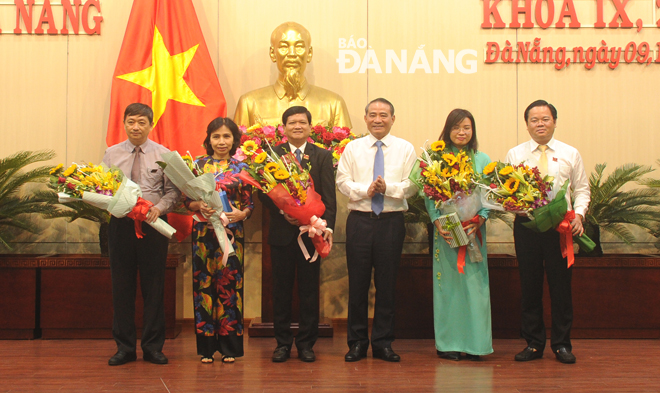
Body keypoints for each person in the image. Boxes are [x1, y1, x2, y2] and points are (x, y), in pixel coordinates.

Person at [505, 99, 590, 364]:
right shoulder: (515, 154)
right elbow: (507, 191)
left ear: (554, 121)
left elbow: (582, 190)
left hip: (560, 228)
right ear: (526, 124)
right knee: (529, 286)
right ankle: (533, 344)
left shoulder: (570, 153)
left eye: (545, 119)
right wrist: (512, 204)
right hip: (527, 226)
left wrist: (578, 215)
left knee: (561, 287)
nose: (540, 124)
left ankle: (562, 345)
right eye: (534, 120)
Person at [336, 98, 417, 362]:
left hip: (391, 223)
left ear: (393, 119)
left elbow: (412, 185)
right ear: (365, 118)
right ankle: (357, 343)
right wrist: (365, 190)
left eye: (383, 115)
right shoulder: (352, 148)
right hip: (360, 221)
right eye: (372, 114)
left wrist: (387, 189)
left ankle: (383, 343)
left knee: (387, 285)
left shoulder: (405, 148)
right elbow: (343, 181)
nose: (377, 119)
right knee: (357, 285)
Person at [103, 103, 181, 366]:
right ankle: (124, 348)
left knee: (154, 287)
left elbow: (173, 191)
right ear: (123, 123)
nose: (135, 127)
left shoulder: (164, 155)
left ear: (150, 125)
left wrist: (158, 208)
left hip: (153, 226)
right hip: (120, 226)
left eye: (141, 122)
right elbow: (103, 189)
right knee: (121, 288)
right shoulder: (111, 154)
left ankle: (152, 347)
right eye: (131, 122)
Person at [258, 106, 336, 363]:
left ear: (310, 127)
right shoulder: (273, 155)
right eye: (292, 122)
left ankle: (306, 344)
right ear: (284, 128)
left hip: (312, 234)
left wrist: (326, 228)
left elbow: (329, 196)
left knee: (309, 290)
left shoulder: (322, 156)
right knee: (280, 290)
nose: (297, 126)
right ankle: (282, 344)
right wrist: (283, 213)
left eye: (302, 122)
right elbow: (263, 192)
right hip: (282, 234)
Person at [424, 109, 493, 361]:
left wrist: (481, 218)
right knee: (448, 286)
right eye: (456, 127)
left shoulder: (482, 159)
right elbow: (429, 194)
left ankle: (477, 344)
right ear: (447, 130)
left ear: (473, 130)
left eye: (466, 127)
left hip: (474, 229)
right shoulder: (436, 159)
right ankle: (448, 343)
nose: (461, 132)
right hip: (447, 229)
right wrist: (436, 221)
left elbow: (490, 194)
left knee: (475, 286)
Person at [186, 118, 254, 364]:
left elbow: (249, 203)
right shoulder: (196, 165)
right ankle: (206, 348)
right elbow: (186, 201)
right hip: (203, 235)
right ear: (209, 139)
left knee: (230, 288)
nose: (221, 141)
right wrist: (197, 205)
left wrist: (243, 214)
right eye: (216, 137)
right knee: (204, 287)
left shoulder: (243, 166)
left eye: (226, 136)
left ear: (234, 140)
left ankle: (229, 348)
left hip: (231, 234)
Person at [234, 21, 352, 129]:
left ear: (309, 53)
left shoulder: (333, 104)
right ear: (272, 53)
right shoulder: (249, 103)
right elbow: (238, 148)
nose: (292, 54)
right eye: (284, 47)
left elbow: (343, 149)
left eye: (299, 47)